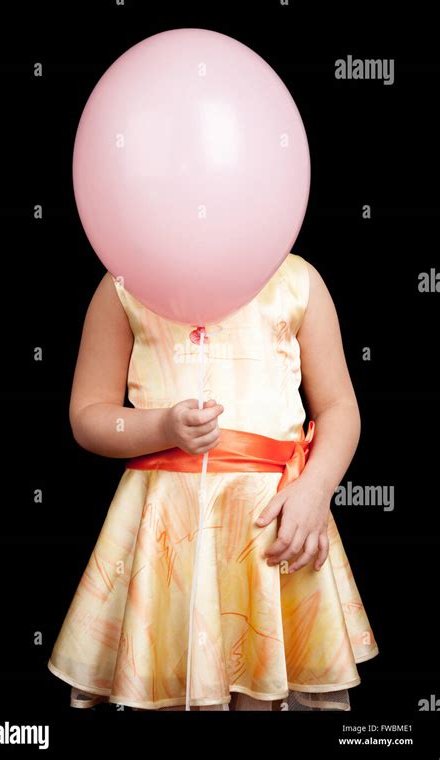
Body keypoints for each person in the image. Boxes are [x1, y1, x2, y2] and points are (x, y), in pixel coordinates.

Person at [47, 252, 379, 712]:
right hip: (168, 528)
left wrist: (317, 489)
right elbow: (87, 415)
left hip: (275, 517)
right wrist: (162, 428)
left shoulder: (297, 280)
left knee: (261, 689)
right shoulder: (126, 282)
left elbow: (340, 405)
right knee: (169, 680)